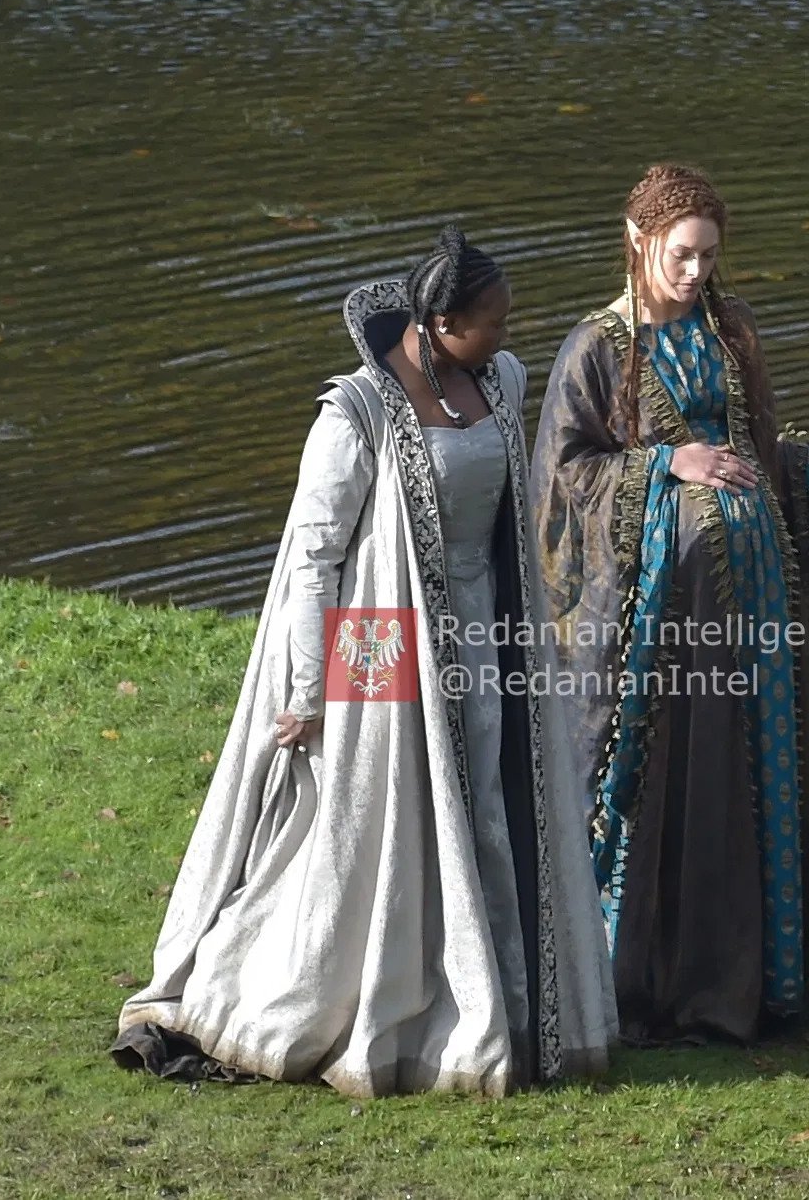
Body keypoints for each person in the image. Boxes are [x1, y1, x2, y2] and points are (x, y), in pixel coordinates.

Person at [111, 226, 616, 1097]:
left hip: (488, 619)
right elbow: (315, 556)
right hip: (376, 629)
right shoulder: (353, 413)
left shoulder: (501, 378)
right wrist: (312, 690)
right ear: (441, 324)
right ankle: (351, 997)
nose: (506, 335)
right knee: (369, 812)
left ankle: (497, 999)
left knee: (490, 805)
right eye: (491, 322)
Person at [530, 164, 809, 1045]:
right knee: (683, 770)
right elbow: (562, 479)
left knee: (758, 766)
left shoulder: (729, 328)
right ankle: (662, 977)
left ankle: (764, 977)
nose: (695, 271)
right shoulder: (596, 348)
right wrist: (668, 462)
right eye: (680, 254)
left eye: (708, 254)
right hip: (666, 622)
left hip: (759, 604)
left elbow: (759, 454)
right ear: (637, 241)